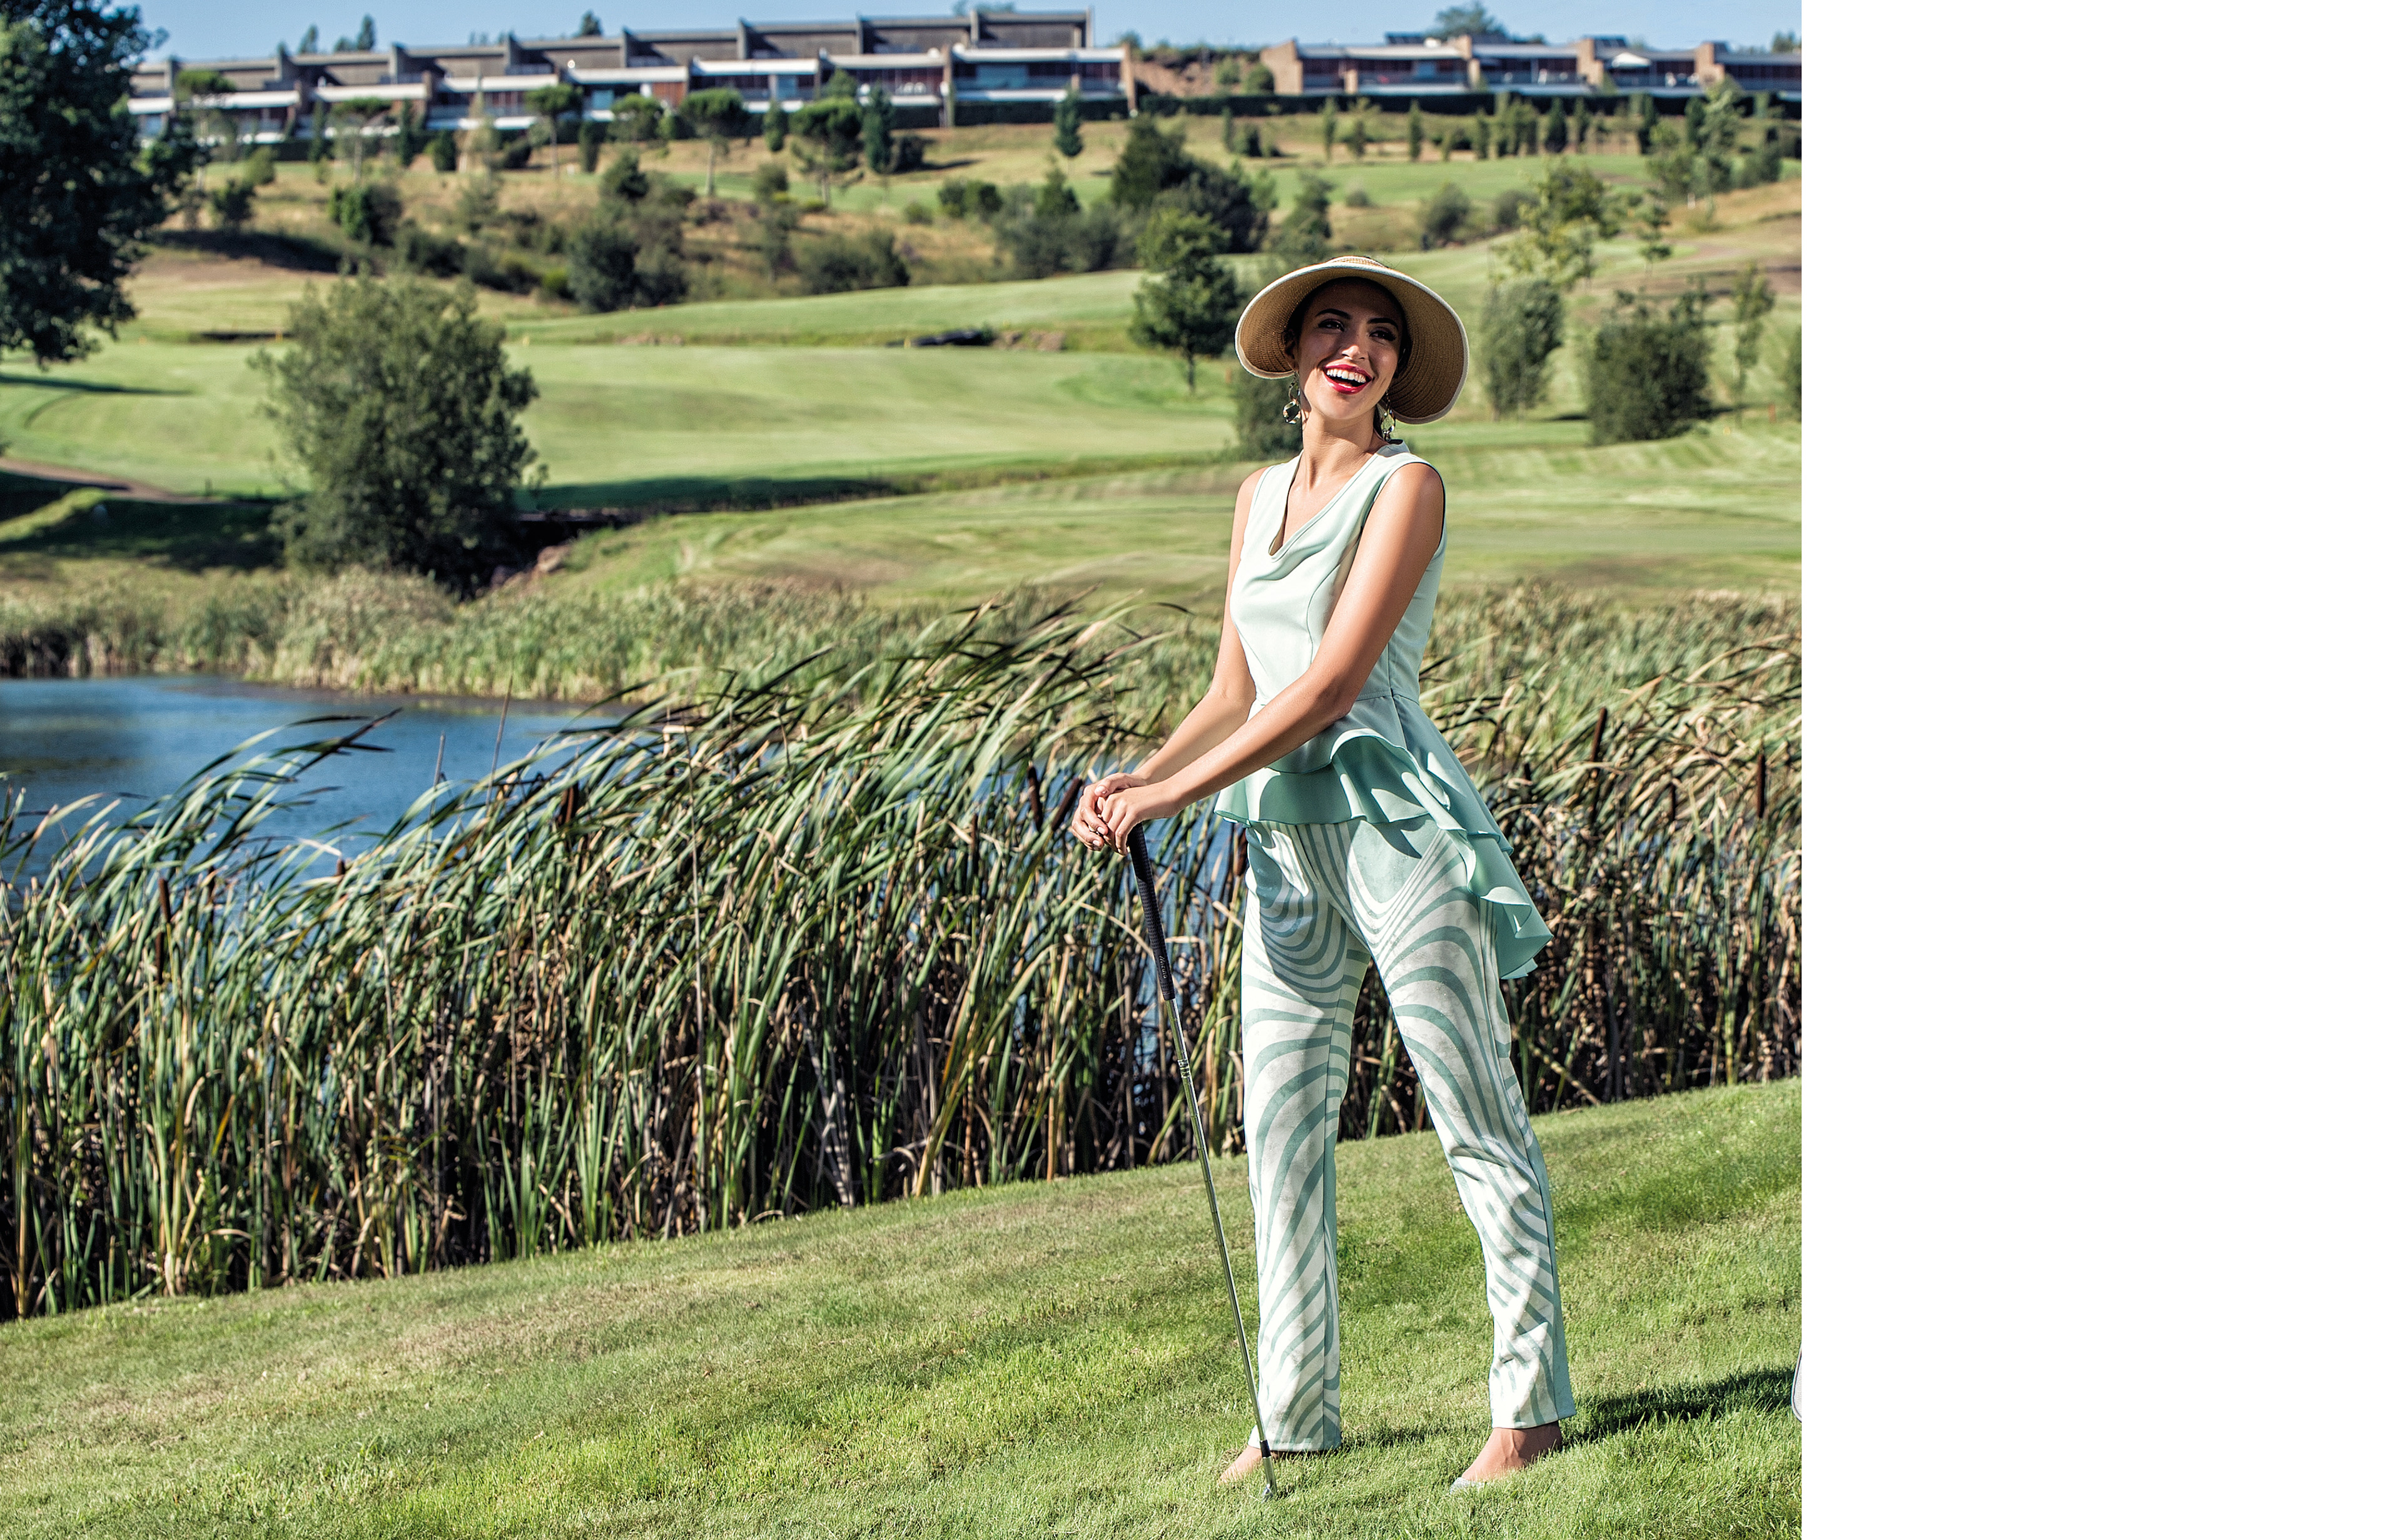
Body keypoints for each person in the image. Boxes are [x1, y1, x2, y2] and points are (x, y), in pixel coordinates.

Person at [1072, 255, 1573, 1490]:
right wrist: (1137, 775)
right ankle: (1293, 1414)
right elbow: (1234, 690)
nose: (1358, 349)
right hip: (1286, 850)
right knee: (1281, 1131)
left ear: (1395, 369)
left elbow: (1333, 686)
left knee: (1476, 1119)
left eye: (1381, 335)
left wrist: (1177, 797)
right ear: (1293, 356)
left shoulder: (1410, 487)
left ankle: (1532, 1408)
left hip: (1401, 838)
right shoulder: (1256, 496)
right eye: (1333, 328)